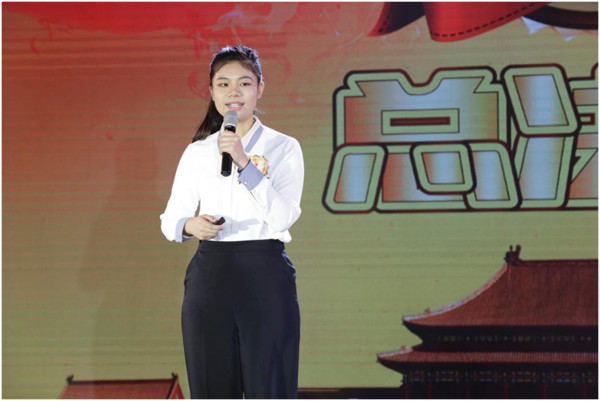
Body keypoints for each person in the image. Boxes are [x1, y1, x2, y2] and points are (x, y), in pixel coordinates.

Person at [160, 45, 304, 399]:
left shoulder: (284, 147)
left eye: (244, 83)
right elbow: (170, 219)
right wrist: (191, 225)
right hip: (211, 275)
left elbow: (284, 217)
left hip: (265, 273)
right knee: (212, 386)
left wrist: (244, 162)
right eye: (223, 84)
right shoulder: (198, 152)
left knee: (269, 385)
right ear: (211, 92)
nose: (233, 92)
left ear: (260, 89)